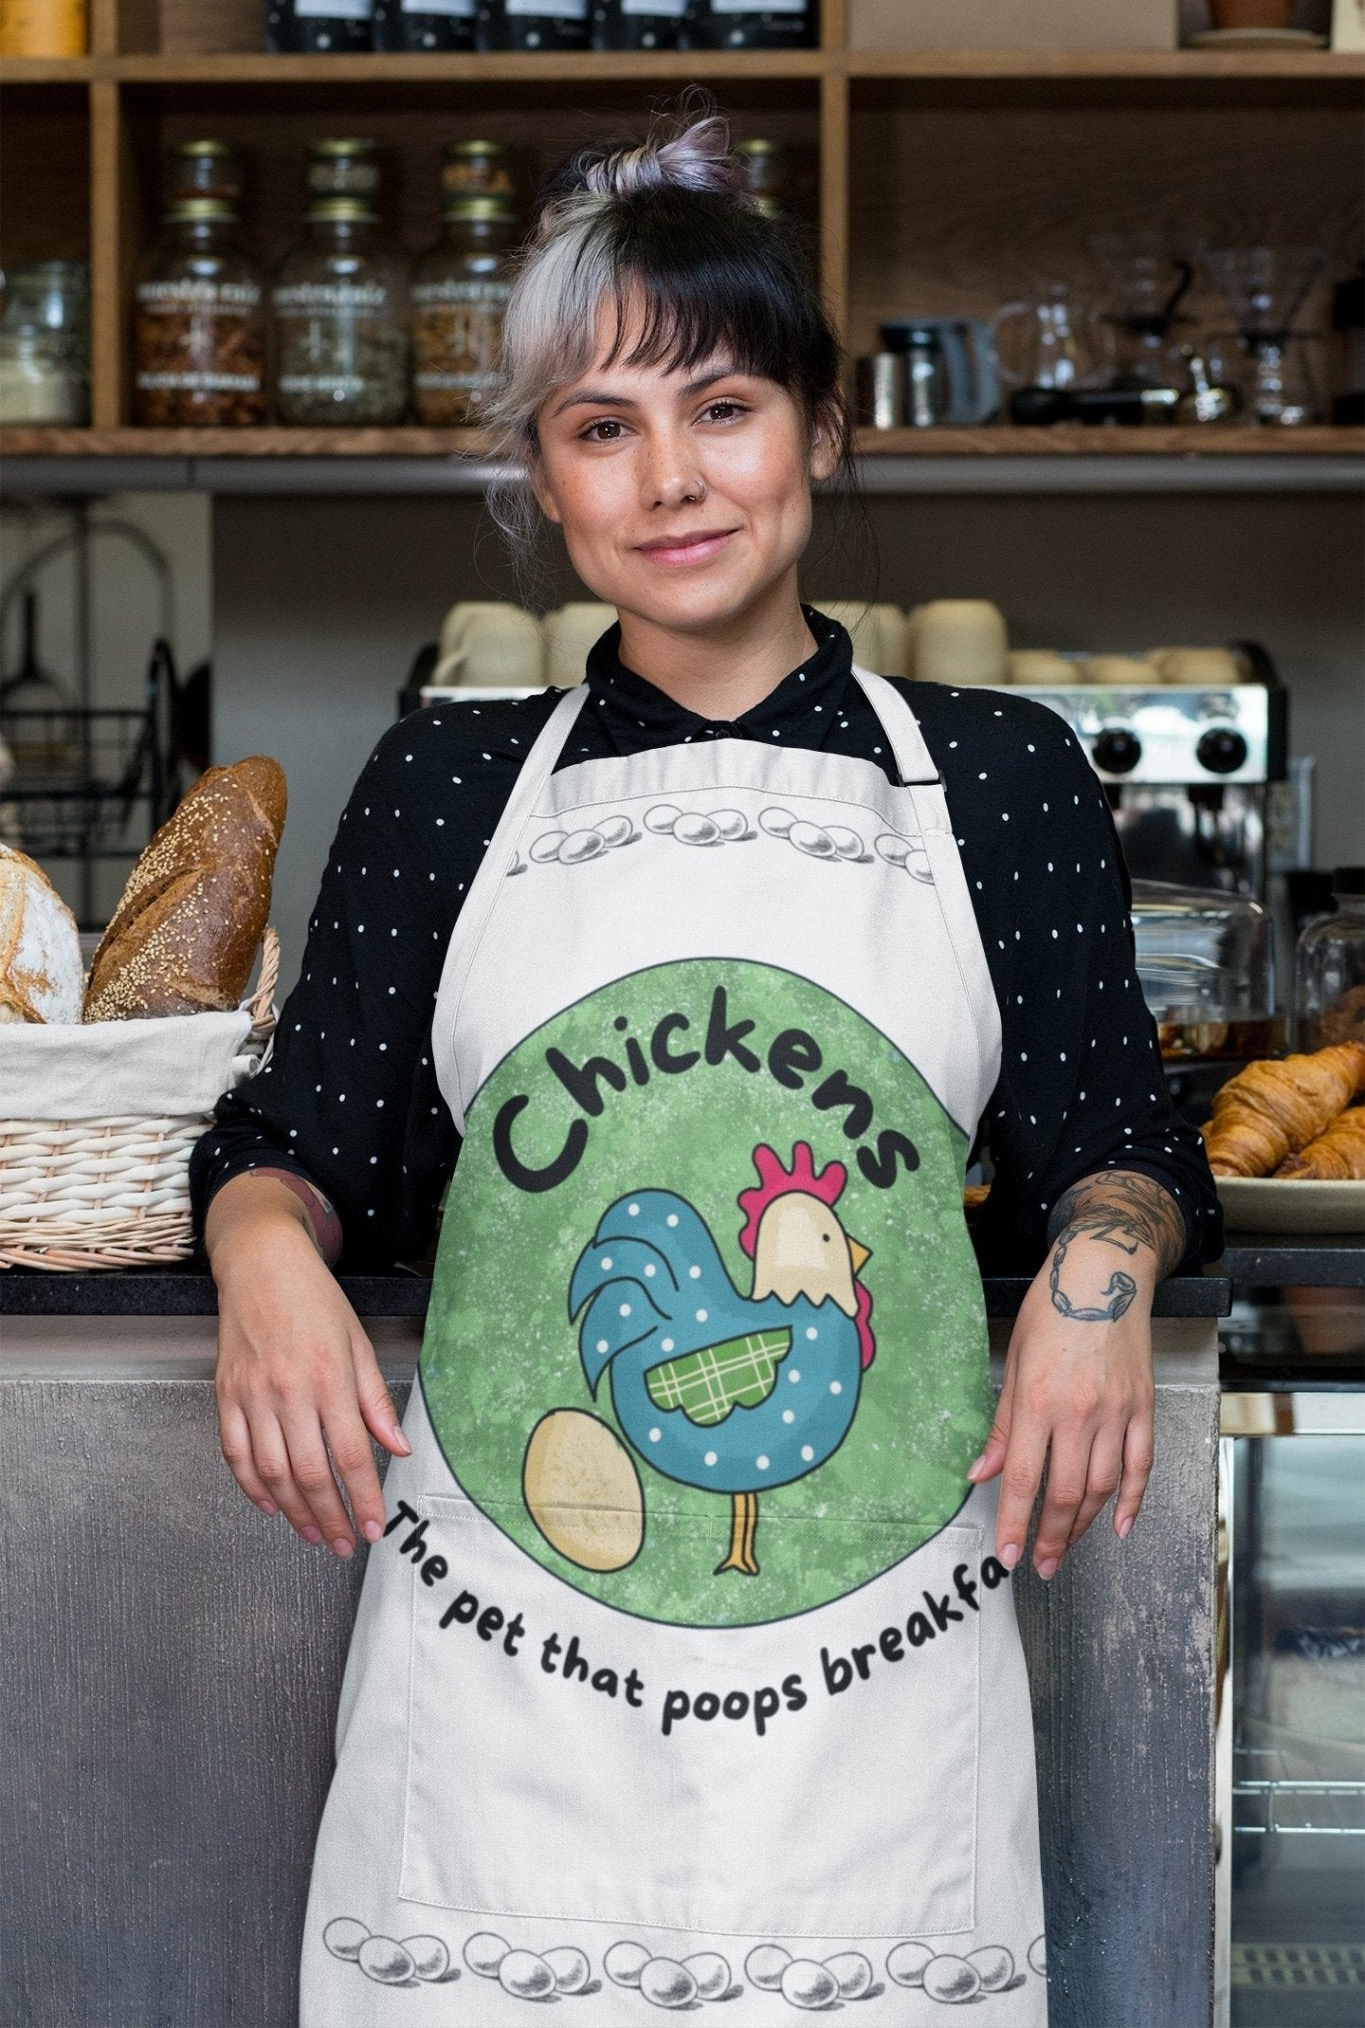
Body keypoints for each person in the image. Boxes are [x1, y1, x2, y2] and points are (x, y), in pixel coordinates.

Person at [191, 105, 1220, 2025]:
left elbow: (1128, 1140)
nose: (670, 480)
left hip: (875, 1684)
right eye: (602, 428)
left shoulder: (997, 777)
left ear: (821, 428)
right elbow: (297, 1137)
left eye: (721, 409)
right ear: (543, 480)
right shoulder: (446, 779)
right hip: (511, 1691)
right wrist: (261, 1255)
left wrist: (1099, 1281)